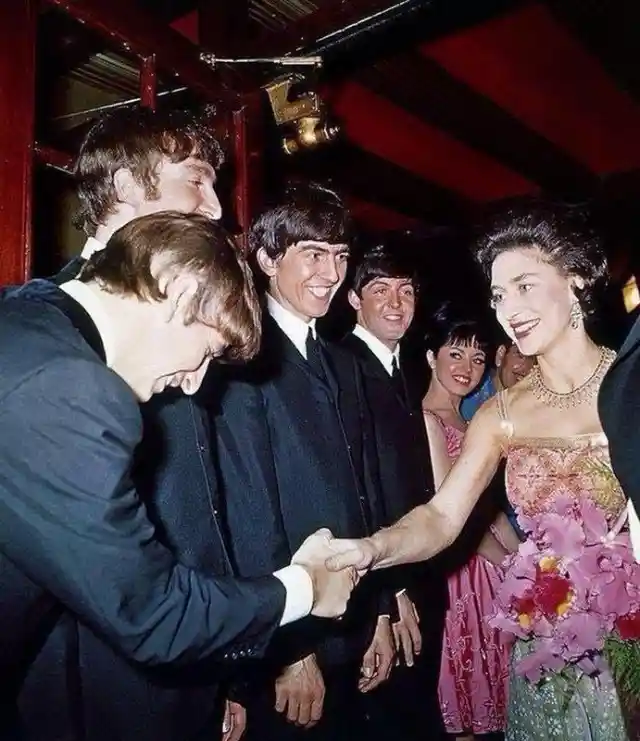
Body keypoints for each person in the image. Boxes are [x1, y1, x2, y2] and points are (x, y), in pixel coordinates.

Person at [0, 211, 356, 740]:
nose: (194, 385)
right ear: (178, 288)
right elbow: (151, 613)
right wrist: (305, 587)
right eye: (209, 351)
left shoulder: (24, 314)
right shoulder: (76, 390)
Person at [326, 207, 631, 740]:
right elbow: (442, 517)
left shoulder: (630, 385)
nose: (509, 309)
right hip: (543, 645)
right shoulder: (500, 414)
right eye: (499, 295)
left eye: (524, 285)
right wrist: (373, 549)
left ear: (576, 279)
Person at [20, 105, 241, 741]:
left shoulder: (199, 313)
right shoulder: (42, 329)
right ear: (123, 188)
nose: (217, 208)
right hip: (80, 684)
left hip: (193, 658)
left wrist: (226, 671)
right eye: (196, 180)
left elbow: (221, 503)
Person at [212, 183, 395, 741]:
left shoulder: (342, 361)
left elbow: (367, 491)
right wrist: (291, 651)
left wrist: (379, 612)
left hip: (353, 623)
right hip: (291, 638)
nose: (331, 272)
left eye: (340, 256)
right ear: (268, 260)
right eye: (312, 253)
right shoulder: (240, 359)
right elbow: (249, 516)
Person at [343, 244, 447, 741]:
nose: (395, 302)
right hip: (383, 583)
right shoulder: (344, 369)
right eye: (380, 290)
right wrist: (388, 597)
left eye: (406, 291)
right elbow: (356, 490)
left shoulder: (404, 370)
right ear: (352, 300)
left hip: (419, 575)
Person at [421, 303, 516, 740]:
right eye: (455, 353)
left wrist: (522, 557)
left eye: (478, 358)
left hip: (488, 568)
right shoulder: (427, 421)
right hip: (461, 575)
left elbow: (489, 504)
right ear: (430, 356)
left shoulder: (474, 419)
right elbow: (449, 511)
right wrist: (504, 562)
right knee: (463, 709)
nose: (467, 367)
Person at [461, 335, 535, 421]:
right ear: (500, 355)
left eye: (536, 362)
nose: (527, 369)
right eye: (521, 356)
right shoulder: (469, 395)